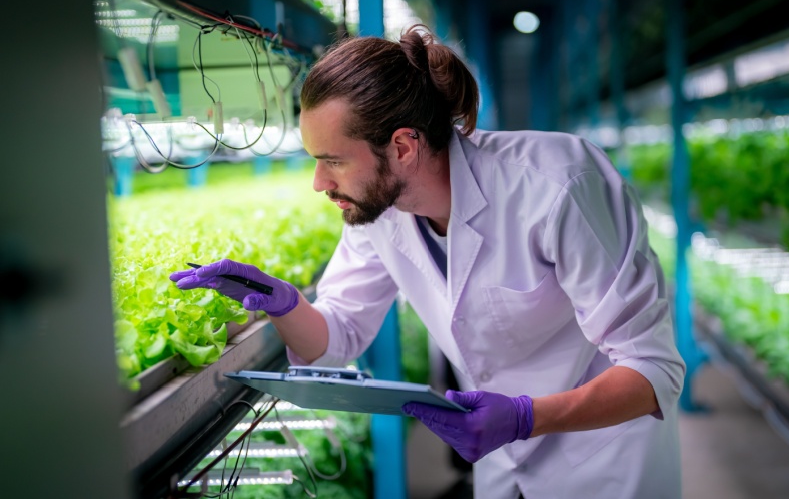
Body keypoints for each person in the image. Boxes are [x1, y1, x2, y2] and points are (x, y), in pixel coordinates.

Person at [170, 25, 685, 499]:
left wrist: (526, 417)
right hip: (501, 457)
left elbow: (651, 367)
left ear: (403, 146)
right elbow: (340, 334)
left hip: (601, 456)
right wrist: (284, 305)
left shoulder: (557, 186)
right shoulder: (380, 213)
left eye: (333, 161)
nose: (320, 184)